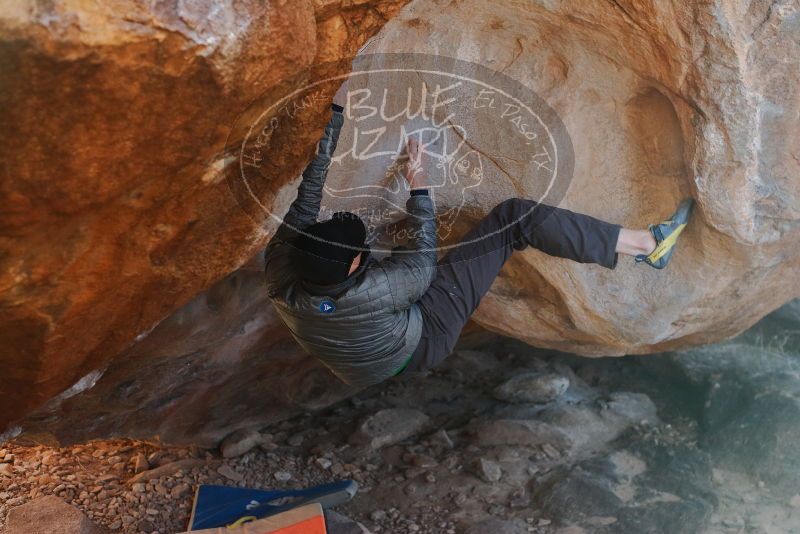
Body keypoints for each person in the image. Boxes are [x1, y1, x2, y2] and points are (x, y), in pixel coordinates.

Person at [264, 90, 694, 388]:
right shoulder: (380, 287)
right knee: (514, 219)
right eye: (361, 250)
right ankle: (645, 245)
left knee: (395, 257)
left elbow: (305, 201)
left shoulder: (280, 268)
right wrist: (419, 185)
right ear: (357, 266)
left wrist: (332, 121)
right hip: (420, 343)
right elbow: (422, 254)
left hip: (359, 358)